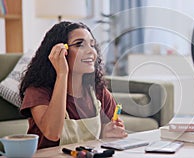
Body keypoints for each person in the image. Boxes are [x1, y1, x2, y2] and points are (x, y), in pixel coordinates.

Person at [19, 21, 127, 149]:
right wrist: (62, 74)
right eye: (79, 44)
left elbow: (111, 133)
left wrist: (108, 133)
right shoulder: (37, 91)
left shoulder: (98, 91)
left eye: (92, 45)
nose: (91, 52)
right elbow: (52, 133)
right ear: (60, 50)